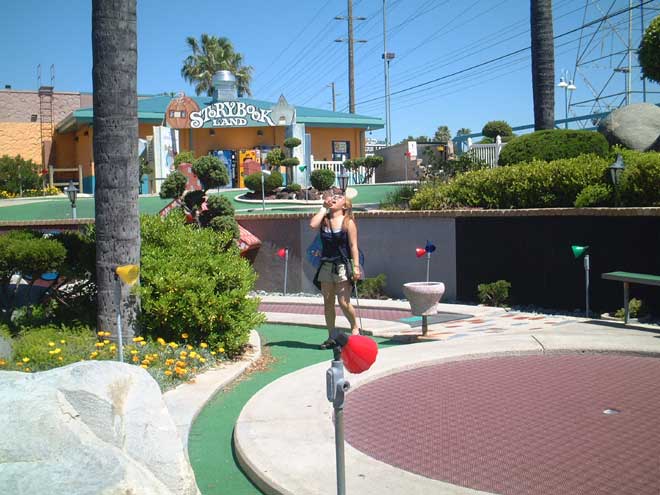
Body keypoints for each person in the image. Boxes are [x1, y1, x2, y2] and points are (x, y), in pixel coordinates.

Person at [309, 188, 361, 347]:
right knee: (328, 302)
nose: (334, 199)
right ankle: (331, 336)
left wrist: (356, 267)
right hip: (326, 264)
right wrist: (323, 207)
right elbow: (312, 224)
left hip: (342, 265)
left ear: (344, 206)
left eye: (339, 198)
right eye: (334, 197)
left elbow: (353, 246)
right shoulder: (324, 220)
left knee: (344, 302)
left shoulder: (348, 222)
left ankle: (355, 327)